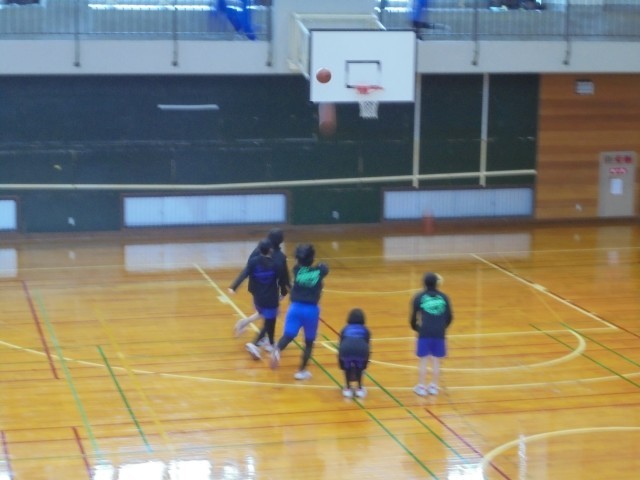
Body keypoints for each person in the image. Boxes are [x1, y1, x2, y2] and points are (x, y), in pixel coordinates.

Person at [270, 243, 329, 380]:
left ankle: (277, 349)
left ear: (298, 259)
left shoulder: (296, 271)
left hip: (295, 308)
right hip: (311, 310)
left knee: (288, 335)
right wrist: (320, 266)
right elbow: (325, 268)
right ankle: (301, 371)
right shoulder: (319, 272)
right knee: (308, 342)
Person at [228, 237, 288, 360]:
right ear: (271, 250)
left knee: (266, 316)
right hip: (271, 298)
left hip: (258, 297)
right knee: (269, 321)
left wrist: (233, 287)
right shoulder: (276, 264)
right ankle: (255, 344)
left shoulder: (253, 262)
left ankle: (269, 342)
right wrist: (284, 292)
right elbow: (283, 280)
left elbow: (244, 274)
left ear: (259, 249)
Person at [410, 272, 453, 396]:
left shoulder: (418, 297)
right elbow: (450, 317)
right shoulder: (444, 297)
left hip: (424, 332)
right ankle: (434, 386)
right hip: (439, 332)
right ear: (437, 283)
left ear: (424, 283)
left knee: (423, 360)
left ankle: (421, 387)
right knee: (436, 361)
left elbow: (413, 318)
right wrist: (442, 327)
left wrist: (417, 328)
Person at [338, 308, 371, 399]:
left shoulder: (345, 329)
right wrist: (365, 363)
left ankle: (347, 389)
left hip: (346, 349)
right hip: (361, 349)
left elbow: (340, 346)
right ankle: (359, 389)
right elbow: (367, 346)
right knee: (359, 367)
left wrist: (341, 363)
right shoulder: (365, 330)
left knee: (347, 367)